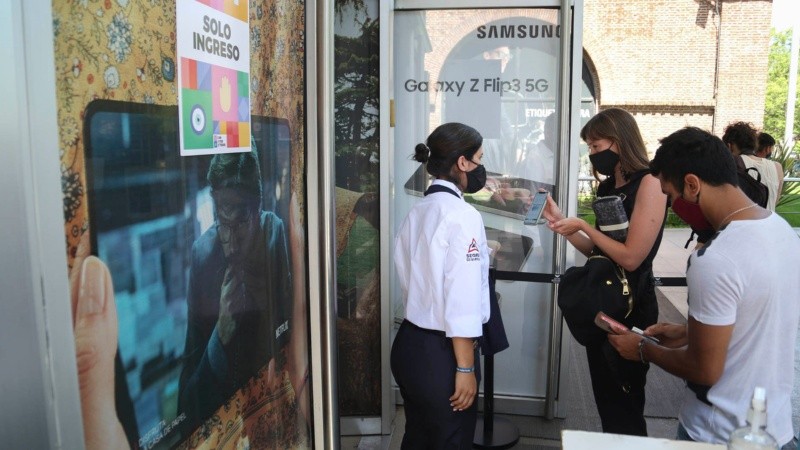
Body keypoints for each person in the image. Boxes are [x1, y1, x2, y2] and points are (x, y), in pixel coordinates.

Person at [608, 126, 800, 448]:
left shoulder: (715, 258)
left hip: (717, 434)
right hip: (774, 429)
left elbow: (704, 369)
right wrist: (688, 331)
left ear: (692, 184)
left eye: (670, 194)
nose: (672, 206)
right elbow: (755, 316)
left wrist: (643, 349)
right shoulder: (781, 231)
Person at [542, 107, 668, 436]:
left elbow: (630, 257)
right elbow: (601, 252)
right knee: (607, 403)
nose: (593, 155)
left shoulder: (650, 183)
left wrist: (584, 224)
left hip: (631, 305)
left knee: (625, 404)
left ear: (619, 141)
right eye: (590, 148)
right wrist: (566, 228)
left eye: (596, 147)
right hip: (603, 301)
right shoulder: (608, 186)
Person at [178, 150, 308, 436]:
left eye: (240, 224)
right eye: (222, 223)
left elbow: (295, 336)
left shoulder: (277, 235)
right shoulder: (203, 255)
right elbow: (186, 401)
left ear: (258, 208)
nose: (230, 243)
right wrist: (219, 335)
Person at [391, 122, 491, 449]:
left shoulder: (417, 212)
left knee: (418, 437)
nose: (479, 167)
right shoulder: (464, 216)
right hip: (444, 356)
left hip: (409, 346)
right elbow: (460, 301)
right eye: (477, 159)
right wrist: (465, 367)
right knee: (451, 440)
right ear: (462, 163)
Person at [722, 122, 784, 211]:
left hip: (743, 222)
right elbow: (775, 201)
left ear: (729, 146)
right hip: (770, 221)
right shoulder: (777, 167)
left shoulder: (733, 163)